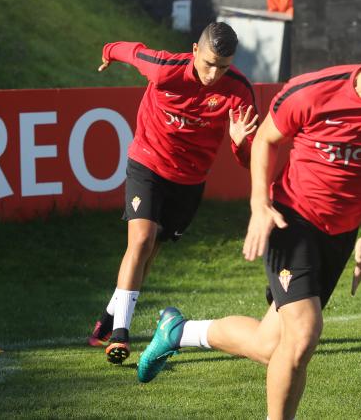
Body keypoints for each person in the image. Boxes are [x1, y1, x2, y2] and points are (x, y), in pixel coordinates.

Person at [136, 14, 361, 420]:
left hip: (339, 234)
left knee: (271, 345)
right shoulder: (314, 91)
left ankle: (179, 332)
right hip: (291, 221)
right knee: (303, 336)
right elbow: (266, 139)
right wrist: (260, 205)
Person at [86, 22, 259, 364]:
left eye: (222, 67)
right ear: (194, 50)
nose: (213, 74)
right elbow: (131, 50)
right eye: (208, 63)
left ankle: (106, 320)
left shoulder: (239, 90)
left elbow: (249, 158)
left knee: (150, 252)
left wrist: (241, 145)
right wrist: (108, 53)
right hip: (147, 163)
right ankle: (120, 333)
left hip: (189, 180)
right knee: (140, 240)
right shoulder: (165, 69)